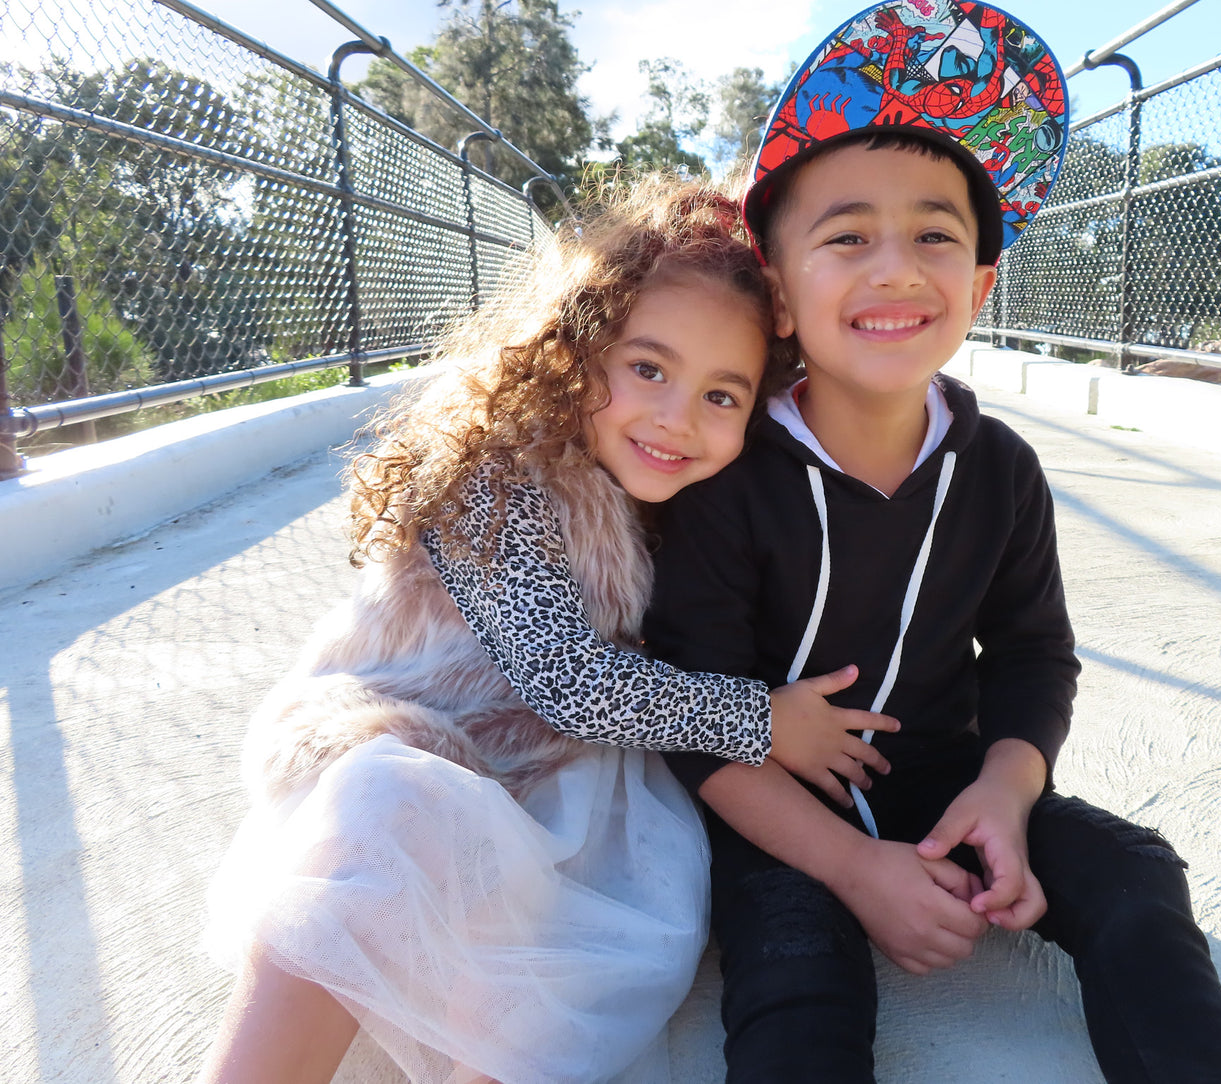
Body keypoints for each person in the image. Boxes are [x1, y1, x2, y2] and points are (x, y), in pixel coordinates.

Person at [643, 5, 1221, 1083]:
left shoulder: (1001, 470)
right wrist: (852, 868)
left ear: (979, 284)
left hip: (947, 775)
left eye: (934, 234)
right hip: (773, 799)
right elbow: (694, 719)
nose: (894, 268)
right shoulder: (723, 477)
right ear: (779, 294)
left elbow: (1032, 652)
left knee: (1132, 876)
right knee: (793, 967)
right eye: (844, 236)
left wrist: (1007, 790)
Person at [197, 177, 898, 1084]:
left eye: (722, 397)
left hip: (554, 778)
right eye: (647, 368)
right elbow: (567, 679)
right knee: (388, 819)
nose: (677, 418)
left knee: (555, 960)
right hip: (414, 739)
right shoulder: (499, 473)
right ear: (576, 350)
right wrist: (767, 720)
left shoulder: (688, 501)